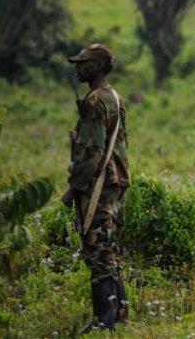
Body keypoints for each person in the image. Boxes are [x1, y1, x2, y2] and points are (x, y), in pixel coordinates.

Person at [62, 43, 129, 333]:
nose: (78, 68)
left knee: (98, 249)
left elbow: (91, 152)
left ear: (99, 66)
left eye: (84, 64)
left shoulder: (94, 101)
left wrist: (73, 189)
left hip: (99, 184)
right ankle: (120, 313)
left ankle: (105, 319)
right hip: (116, 181)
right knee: (109, 247)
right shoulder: (114, 97)